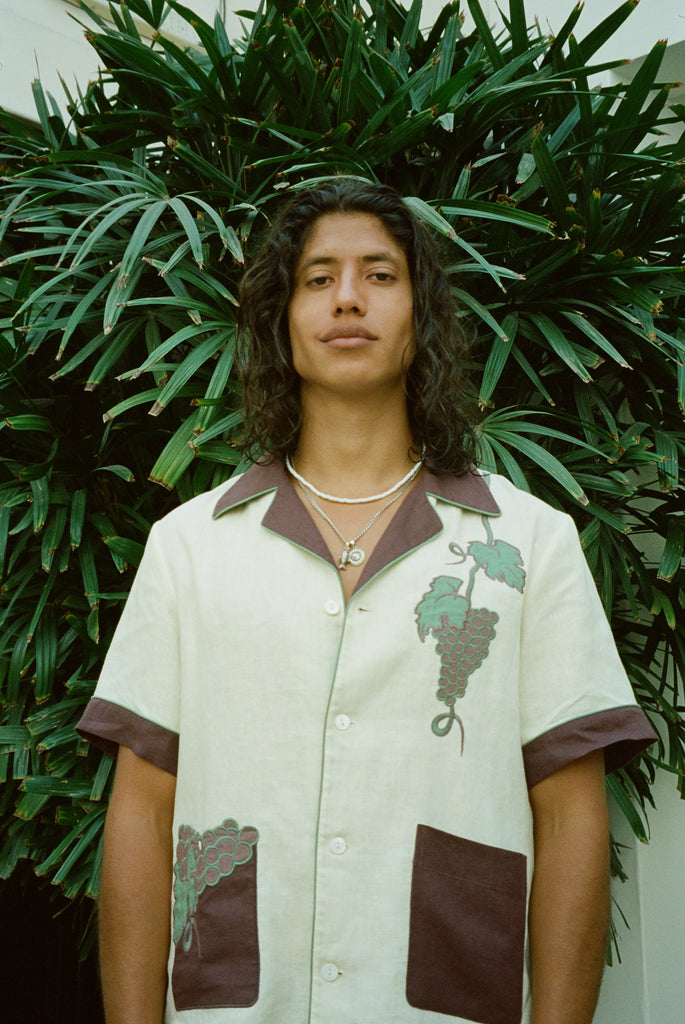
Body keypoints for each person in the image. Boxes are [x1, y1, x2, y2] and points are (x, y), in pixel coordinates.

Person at [77, 177, 656, 1024]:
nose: (347, 298)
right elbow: (141, 811)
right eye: (318, 278)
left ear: (421, 317)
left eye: (380, 275)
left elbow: (571, 818)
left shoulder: (530, 544)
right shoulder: (190, 546)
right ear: (282, 320)